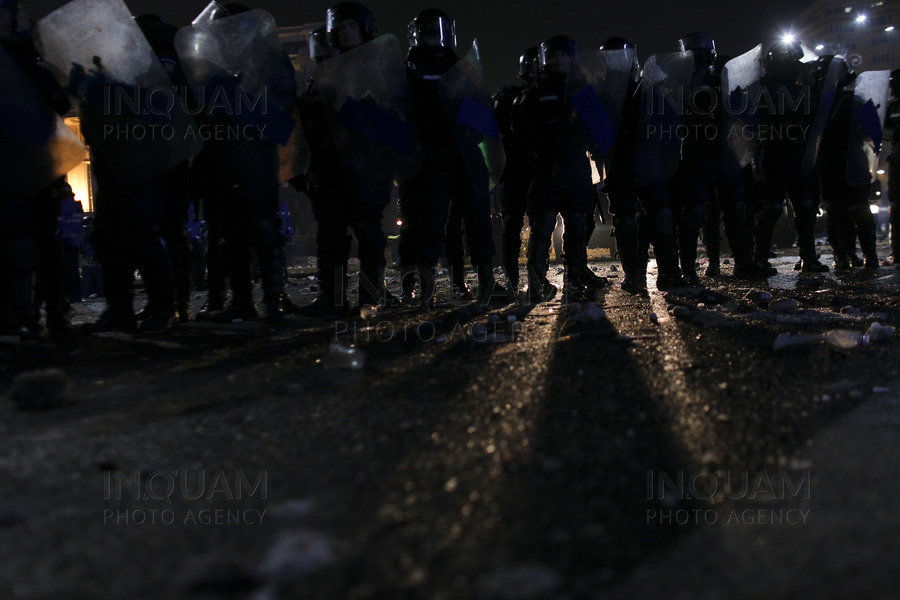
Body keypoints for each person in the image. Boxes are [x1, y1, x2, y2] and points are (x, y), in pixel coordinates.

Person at [299, 1, 407, 316]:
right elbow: (309, 122)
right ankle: (331, 298)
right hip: (330, 169)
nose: (347, 32)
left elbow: (393, 118)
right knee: (331, 237)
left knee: (370, 236)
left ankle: (371, 294)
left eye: (352, 25)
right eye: (341, 27)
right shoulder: (320, 74)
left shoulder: (379, 70)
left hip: (368, 168)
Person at [398, 8, 507, 306]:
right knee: (429, 225)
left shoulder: (461, 67)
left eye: (439, 31)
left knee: (477, 221)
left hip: (466, 154)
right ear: (418, 34)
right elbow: (401, 113)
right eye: (430, 32)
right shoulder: (408, 70)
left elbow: (481, 110)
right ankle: (424, 287)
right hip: (430, 156)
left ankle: (486, 281)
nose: (436, 38)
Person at [512, 34, 593, 302]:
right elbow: (520, 125)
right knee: (542, 226)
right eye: (554, 54)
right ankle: (536, 283)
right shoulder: (535, 90)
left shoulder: (583, 88)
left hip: (576, 167)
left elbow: (600, 127)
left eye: (564, 54)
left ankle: (573, 279)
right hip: (546, 167)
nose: (559, 59)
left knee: (577, 226)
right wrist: (546, 142)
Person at [751, 39, 829, 273]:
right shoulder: (763, 90)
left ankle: (807, 258)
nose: (795, 65)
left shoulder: (803, 89)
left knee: (804, 207)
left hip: (799, 153)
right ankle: (761, 258)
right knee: (773, 207)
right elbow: (756, 124)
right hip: (776, 152)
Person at [492, 46, 539, 297]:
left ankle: (525, 279)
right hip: (517, 169)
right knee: (517, 225)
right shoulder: (509, 96)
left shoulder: (509, 96)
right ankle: (519, 279)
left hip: (527, 168)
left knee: (525, 225)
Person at [885, 68, 900, 267]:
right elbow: (883, 128)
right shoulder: (893, 106)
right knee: (896, 207)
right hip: (897, 159)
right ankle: (897, 252)